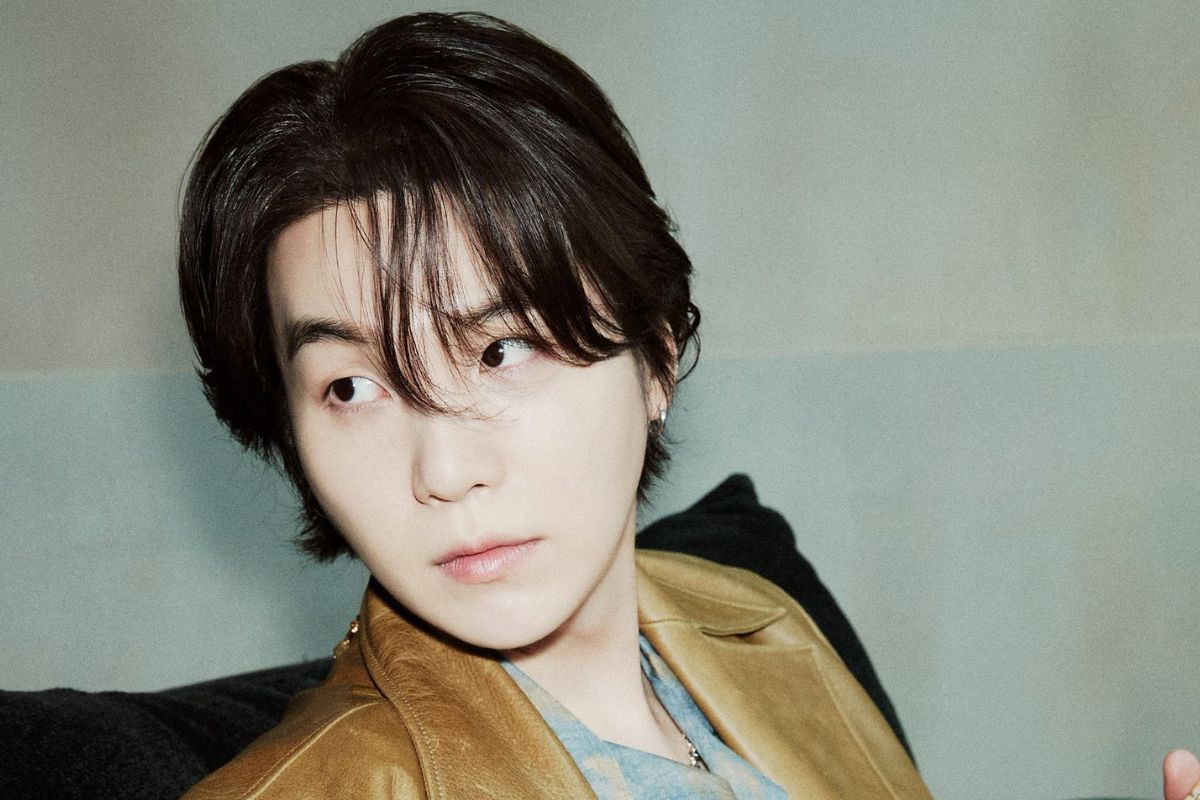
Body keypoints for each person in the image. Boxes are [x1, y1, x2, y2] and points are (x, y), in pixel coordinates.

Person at [174, 12, 1194, 800]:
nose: (443, 470)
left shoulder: (759, 620)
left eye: (502, 348)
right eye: (351, 386)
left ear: (655, 356)